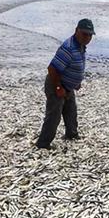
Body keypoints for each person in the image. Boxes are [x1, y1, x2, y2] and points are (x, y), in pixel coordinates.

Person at [36, 18, 95, 149]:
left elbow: (74, 66)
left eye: (90, 35)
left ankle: (71, 135)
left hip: (68, 87)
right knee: (54, 116)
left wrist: (76, 82)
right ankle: (43, 144)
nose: (87, 37)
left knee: (71, 112)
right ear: (76, 31)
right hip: (56, 84)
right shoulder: (68, 48)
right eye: (85, 33)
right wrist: (58, 87)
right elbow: (52, 69)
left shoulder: (80, 46)